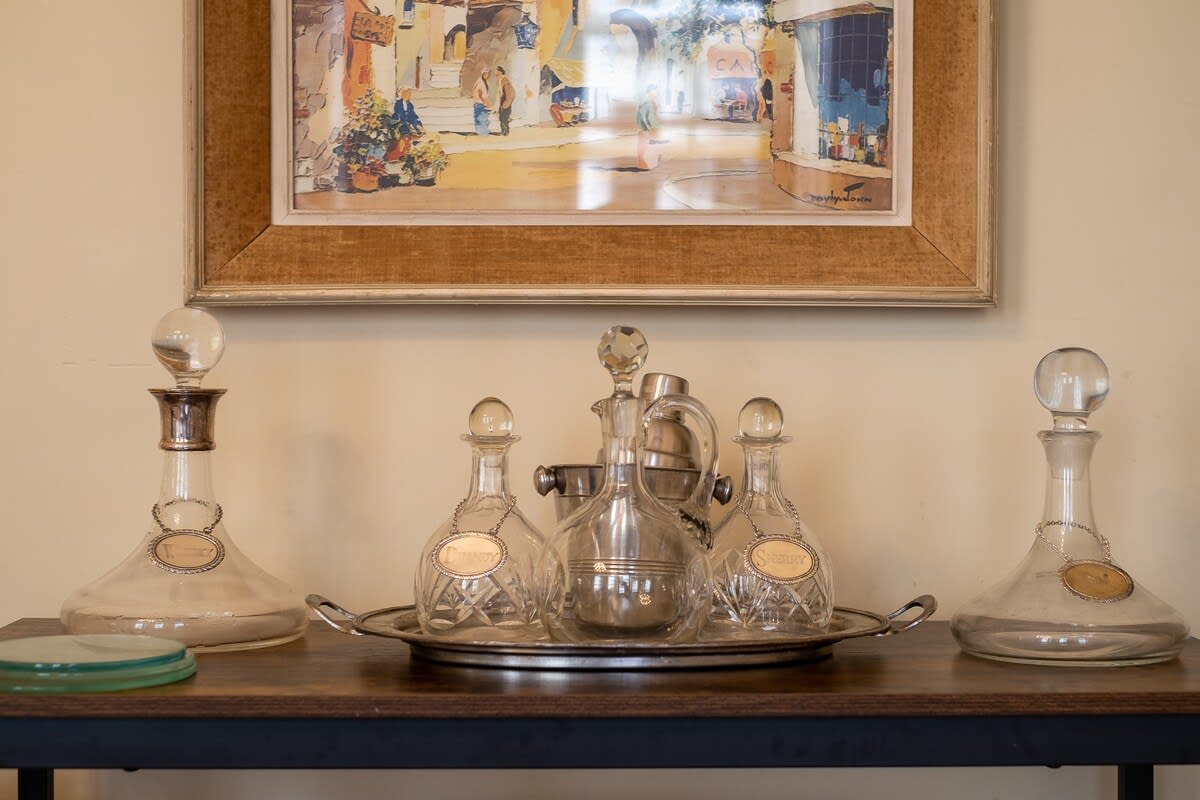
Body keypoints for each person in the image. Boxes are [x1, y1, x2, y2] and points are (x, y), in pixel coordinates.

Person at [635, 84, 659, 170]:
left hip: (648, 127)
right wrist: (645, 129)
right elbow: (642, 117)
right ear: (650, 91)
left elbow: (652, 115)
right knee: (643, 143)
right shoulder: (646, 102)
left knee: (644, 144)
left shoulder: (650, 101)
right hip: (644, 127)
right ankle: (641, 161)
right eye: (655, 91)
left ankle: (643, 161)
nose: (656, 93)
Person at [495, 66, 515, 136]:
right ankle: (504, 131)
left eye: (496, 71)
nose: (495, 73)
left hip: (506, 103)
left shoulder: (505, 81)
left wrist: (506, 103)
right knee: (502, 118)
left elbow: (511, 93)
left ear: (500, 72)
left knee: (504, 119)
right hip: (503, 102)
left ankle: (505, 132)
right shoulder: (500, 80)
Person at [472, 68, 492, 136]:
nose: (487, 76)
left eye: (488, 74)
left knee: (478, 119)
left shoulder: (479, 81)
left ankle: (480, 132)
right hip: (480, 104)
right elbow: (484, 96)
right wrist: (489, 104)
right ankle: (483, 133)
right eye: (486, 74)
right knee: (482, 119)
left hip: (477, 103)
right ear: (482, 74)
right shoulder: (481, 83)